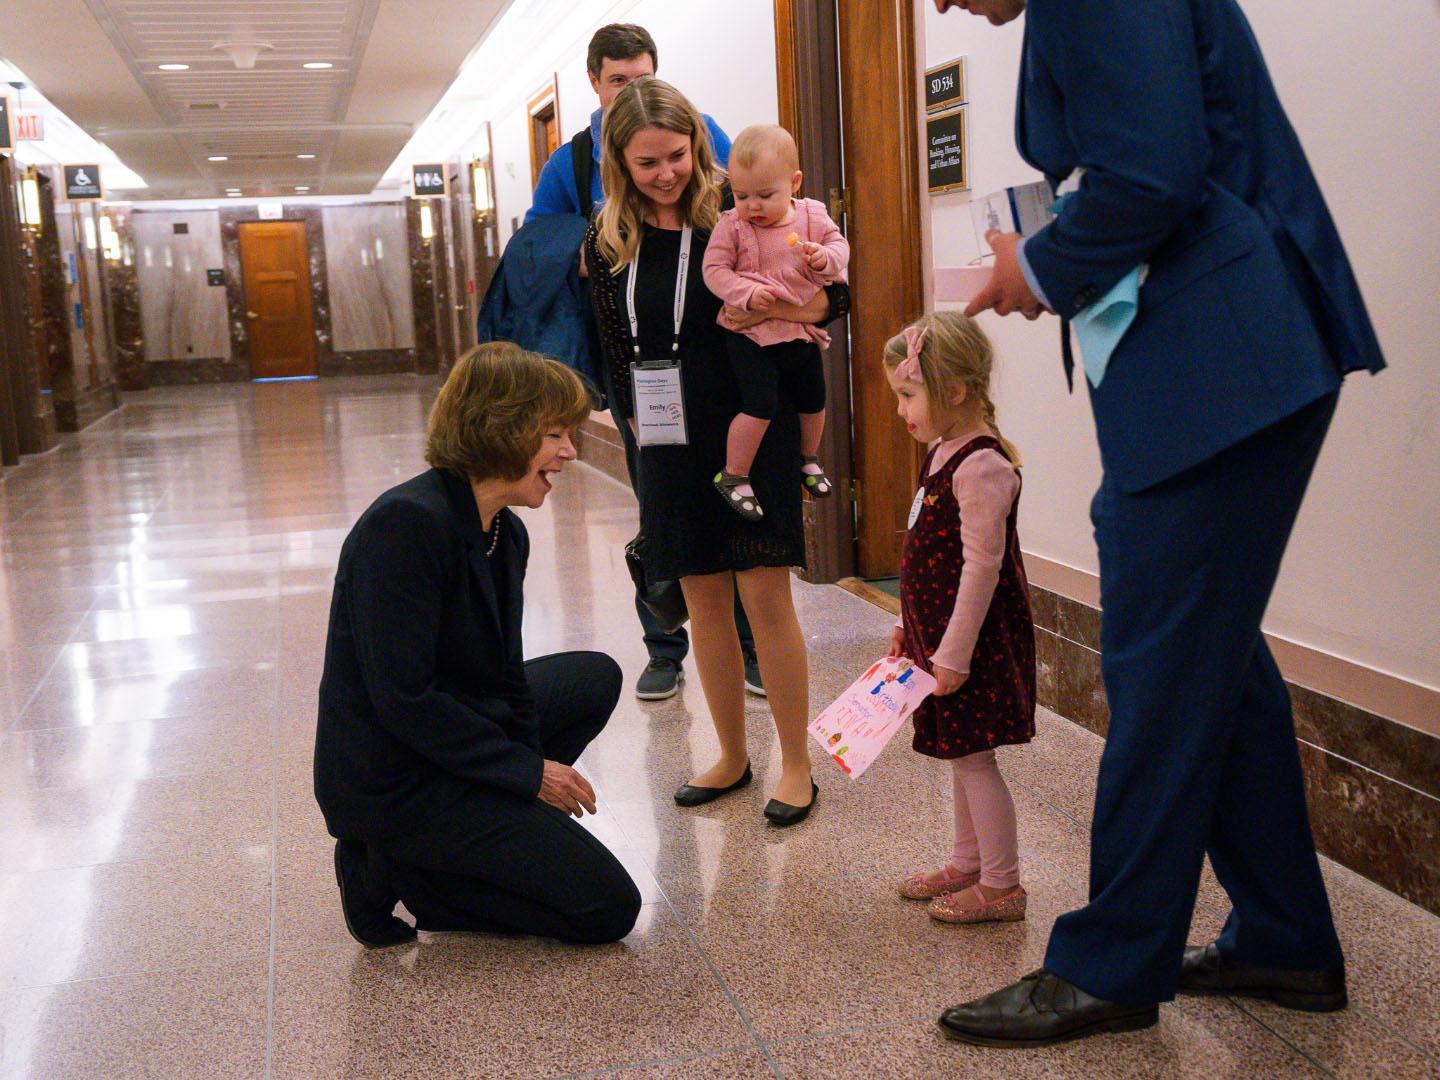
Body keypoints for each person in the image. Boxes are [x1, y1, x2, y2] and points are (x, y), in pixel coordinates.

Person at [931, 0, 1385, 1048]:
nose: (941, 6)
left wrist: (1031, 269)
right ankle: (1284, 936)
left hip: (1225, 366)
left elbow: (1151, 174)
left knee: (1160, 664)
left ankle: (1110, 963)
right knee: (1211, 662)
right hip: (1224, 364)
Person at [585, 77, 850, 825]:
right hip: (667, 436)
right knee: (702, 598)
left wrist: (800, 304)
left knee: (765, 593)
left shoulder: (739, 213)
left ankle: (796, 763)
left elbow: (834, 296)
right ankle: (731, 754)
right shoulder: (607, 240)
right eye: (647, 163)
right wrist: (637, 435)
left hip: (747, 421)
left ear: (697, 149)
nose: (665, 172)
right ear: (621, 165)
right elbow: (613, 350)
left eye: (676, 155)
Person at [313, 342, 641, 947]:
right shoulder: (405, 527)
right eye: (554, 435)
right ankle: (394, 865)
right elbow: (404, 699)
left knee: (591, 677)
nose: (570, 451)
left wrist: (524, 774)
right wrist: (524, 771)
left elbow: (503, 671)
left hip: (449, 739)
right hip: (394, 777)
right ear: (503, 430)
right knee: (608, 909)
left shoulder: (502, 531)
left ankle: (473, 837)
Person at [525, 21, 749, 703]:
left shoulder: (700, 129)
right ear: (595, 83)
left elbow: (743, 212)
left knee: (732, 501)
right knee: (660, 507)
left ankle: (746, 647)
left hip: (713, 358)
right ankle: (665, 647)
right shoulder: (570, 162)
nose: (633, 90)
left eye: (644, 77)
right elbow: (543, 251)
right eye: (620, 80)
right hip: (635, 372)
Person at [883, 313, 1036, 926]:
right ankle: (968, 861)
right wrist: (905, 624)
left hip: (972, 646)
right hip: (938, 638)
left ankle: (1002, 885)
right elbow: (920, 548)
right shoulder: (942, 452)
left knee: (975, 757)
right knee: (960, 753)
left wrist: (952, 655)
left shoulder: (982, 466)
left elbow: (981, 569)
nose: (900, 410)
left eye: (907, 394)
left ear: (953, 392)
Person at [701, 124, 848, 521]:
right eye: (743, 194)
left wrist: (826, 259)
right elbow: (713, 269)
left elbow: (840, 248)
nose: (753, 206)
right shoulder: (732, 224)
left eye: (765, 195)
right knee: (759, 405)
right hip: (749, 333)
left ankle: (808, 458)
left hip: (799, 333)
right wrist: (744, 294)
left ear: (794, 182)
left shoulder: (813, 216)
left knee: (814, 397)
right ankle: (734, 474)